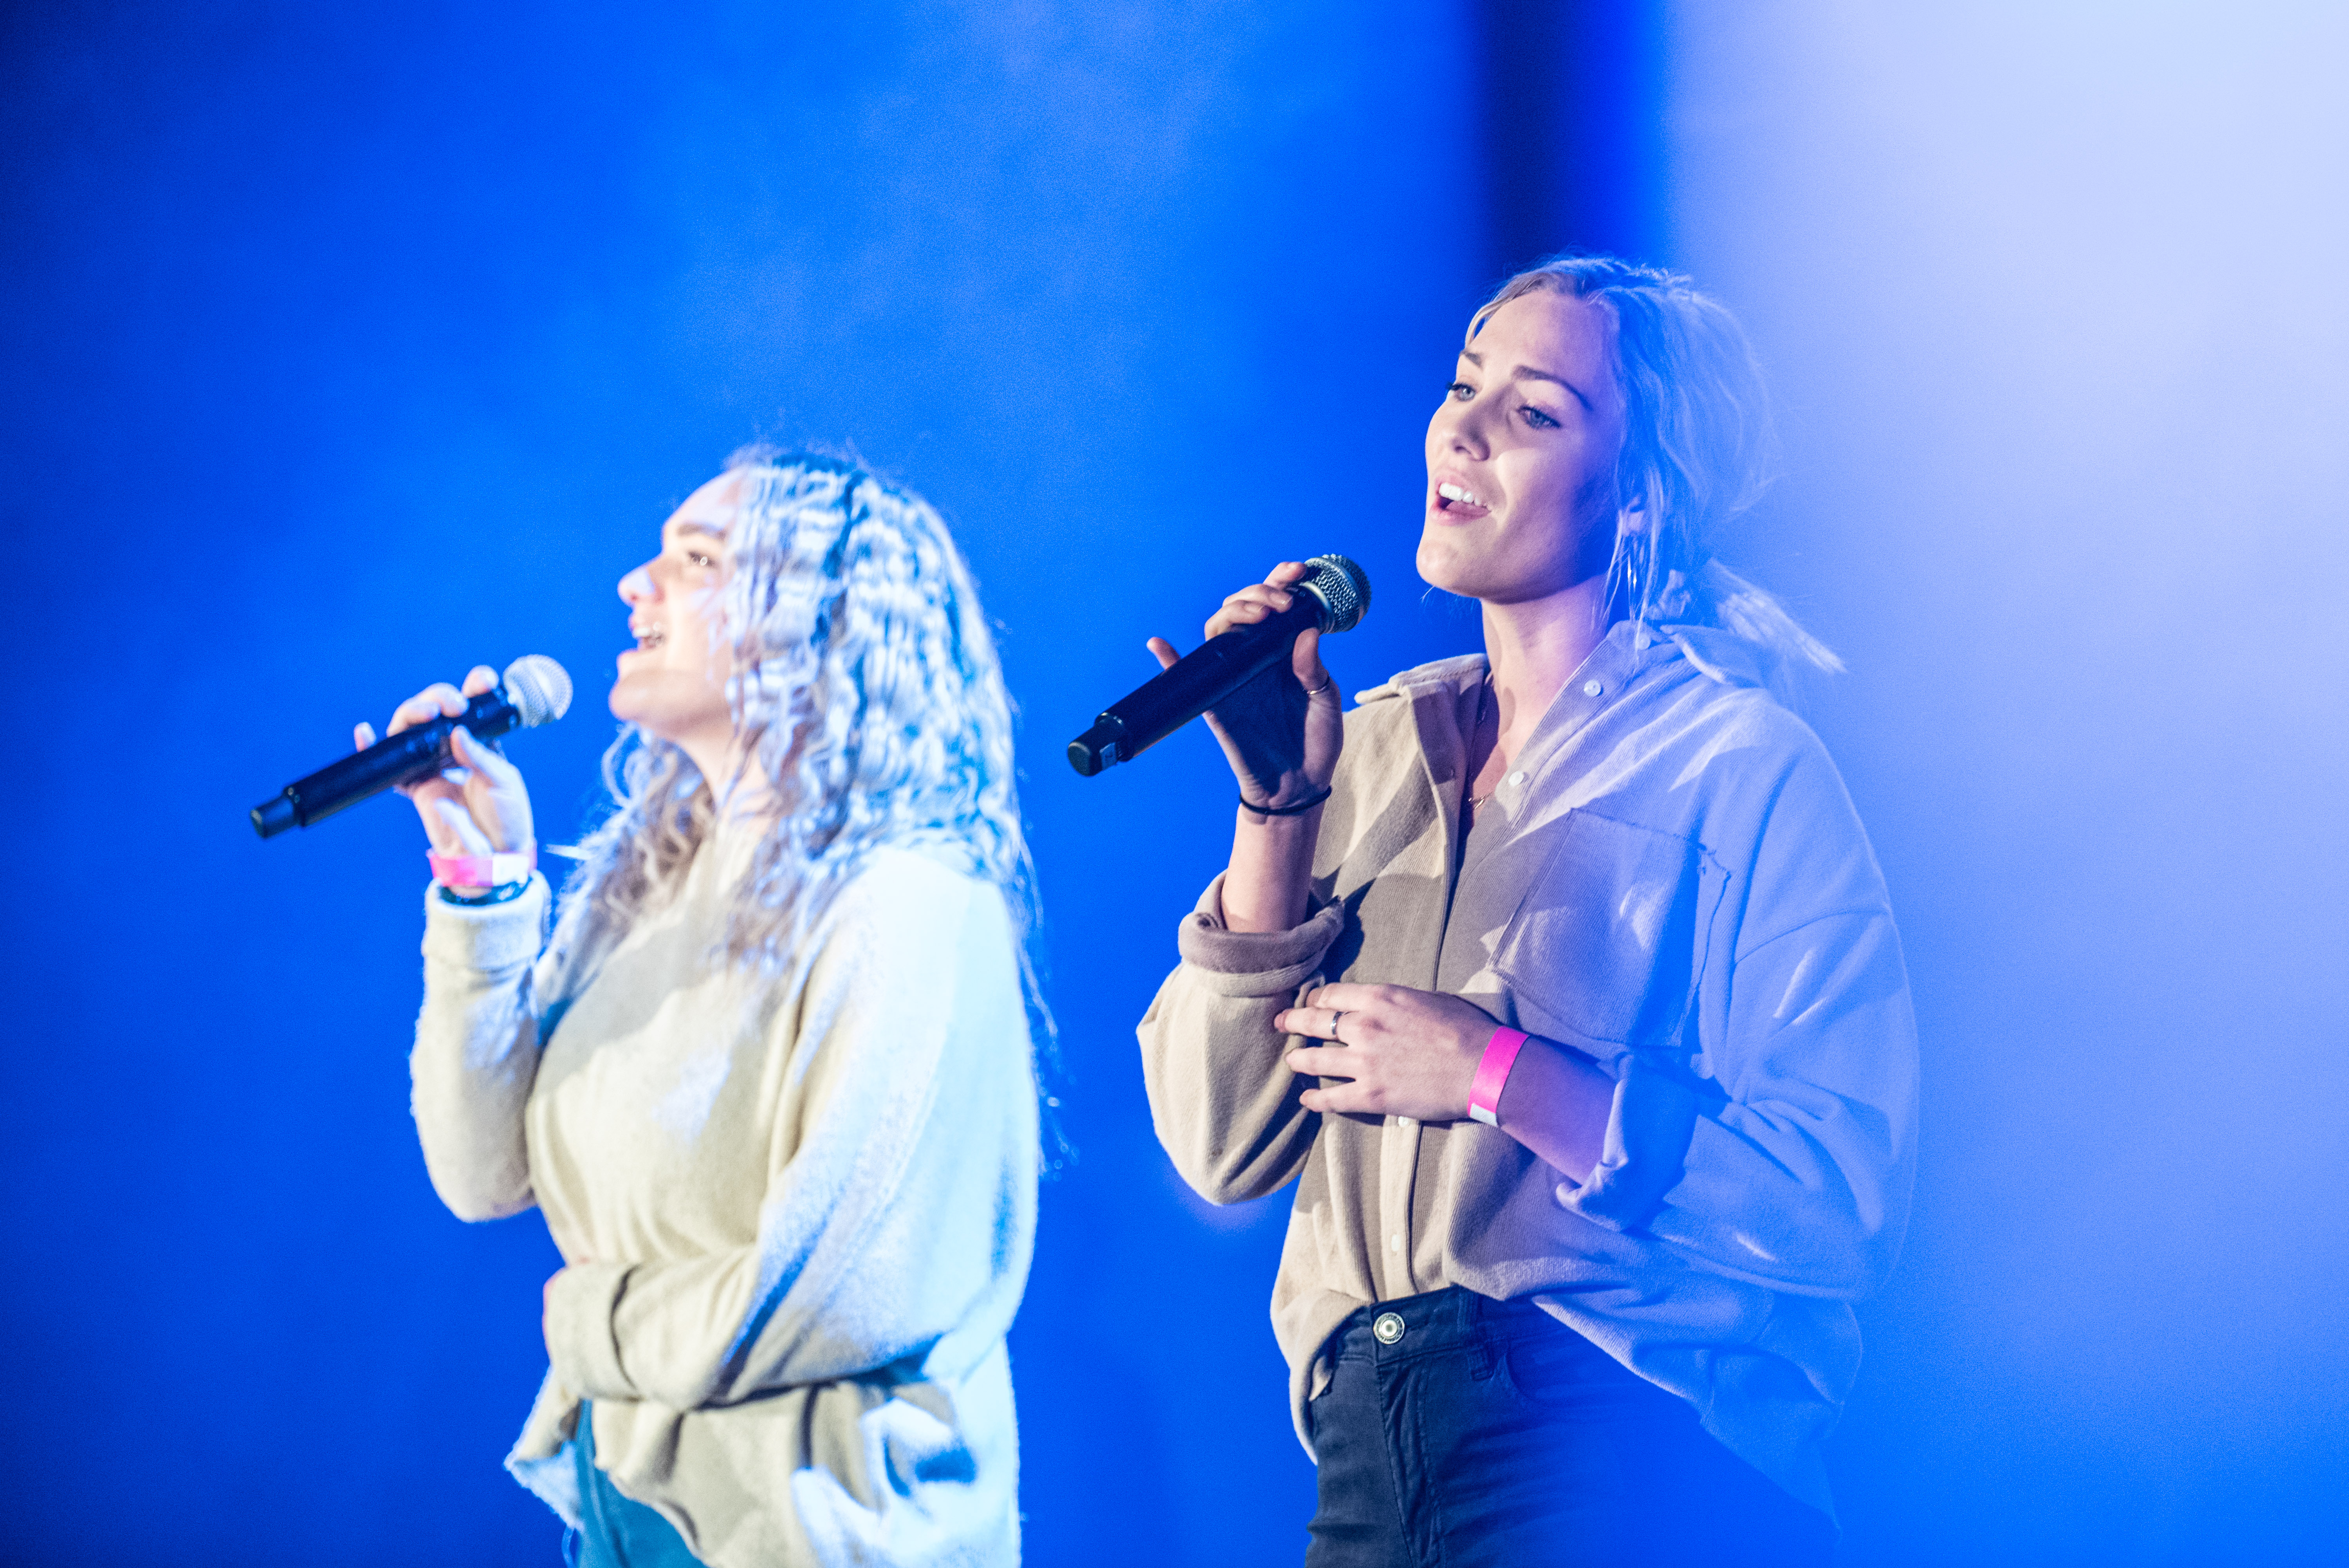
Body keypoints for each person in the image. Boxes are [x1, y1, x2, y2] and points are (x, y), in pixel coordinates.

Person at [1137, 255, 1919, 1565]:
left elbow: (1828, 1204)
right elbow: (1219, 1146)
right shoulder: (1371, 751)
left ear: (1645, 495)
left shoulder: (1738, 767)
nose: (1463, 426)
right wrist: (1278, 815)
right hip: (1368, 1448)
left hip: (1616, 1440)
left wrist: (1489, 1069)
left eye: (1537, 411)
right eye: (1462, 387)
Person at [368, 451, 1043, 1567]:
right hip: (632, 1506)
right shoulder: (647, 896)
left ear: (822, 622)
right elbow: (481, 1174)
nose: (638, 584)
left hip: (819, 1534)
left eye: (698, 561)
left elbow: (856, 1293)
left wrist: (594, 1329)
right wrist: (483, 893)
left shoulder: (911, 906)